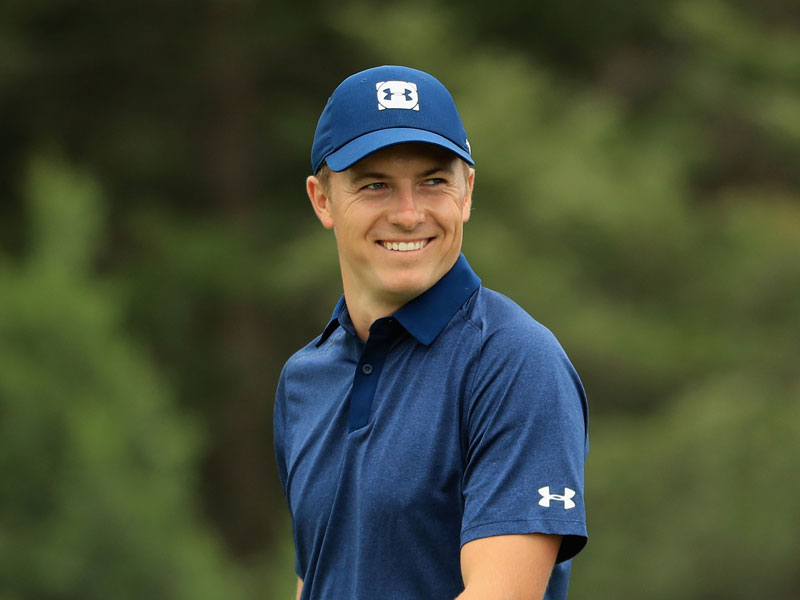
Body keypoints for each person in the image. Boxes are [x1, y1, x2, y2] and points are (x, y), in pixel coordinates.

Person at [274, 65, 588, 600]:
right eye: (375, 185)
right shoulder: (304, 379)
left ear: (466, 193)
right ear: (322, 200)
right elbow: (318, 580)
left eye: (433, 182)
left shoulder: (514, 361)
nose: (408, 214)